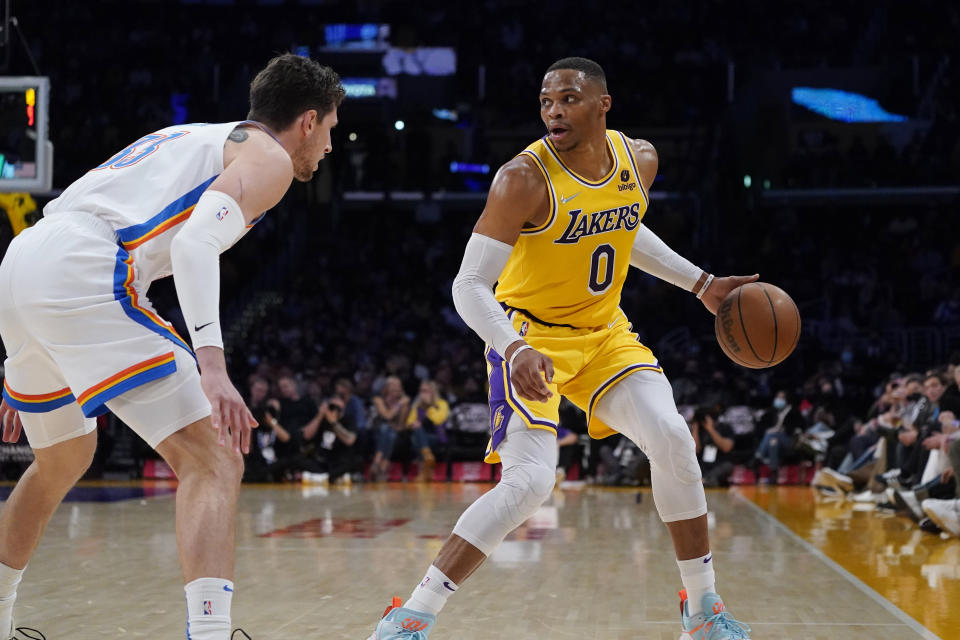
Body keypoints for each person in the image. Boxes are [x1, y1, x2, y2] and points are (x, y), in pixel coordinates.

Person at [367, 57, 753, 640]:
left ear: (603, 104)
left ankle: (703, 611)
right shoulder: (521, 178)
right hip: (530, 339)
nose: (554, 111)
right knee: (529, 484)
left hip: (604, 335)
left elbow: (622, 228)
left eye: (568, 99)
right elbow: (468, 286)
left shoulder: (639, 160)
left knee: (673, 438)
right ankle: (411, 617)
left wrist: (700, 283)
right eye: (546, 101)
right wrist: (514, 347)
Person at [0, 53, 344, 640]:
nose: (330, 147)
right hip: (88, 267)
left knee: (63, 457)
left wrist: (32, 351)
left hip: (25, 263)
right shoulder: (269, 157)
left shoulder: (189, 137)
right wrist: (212, 365)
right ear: (307, 121)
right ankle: (210, 635)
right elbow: (192, 248)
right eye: (332, 130)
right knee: (215, 458)